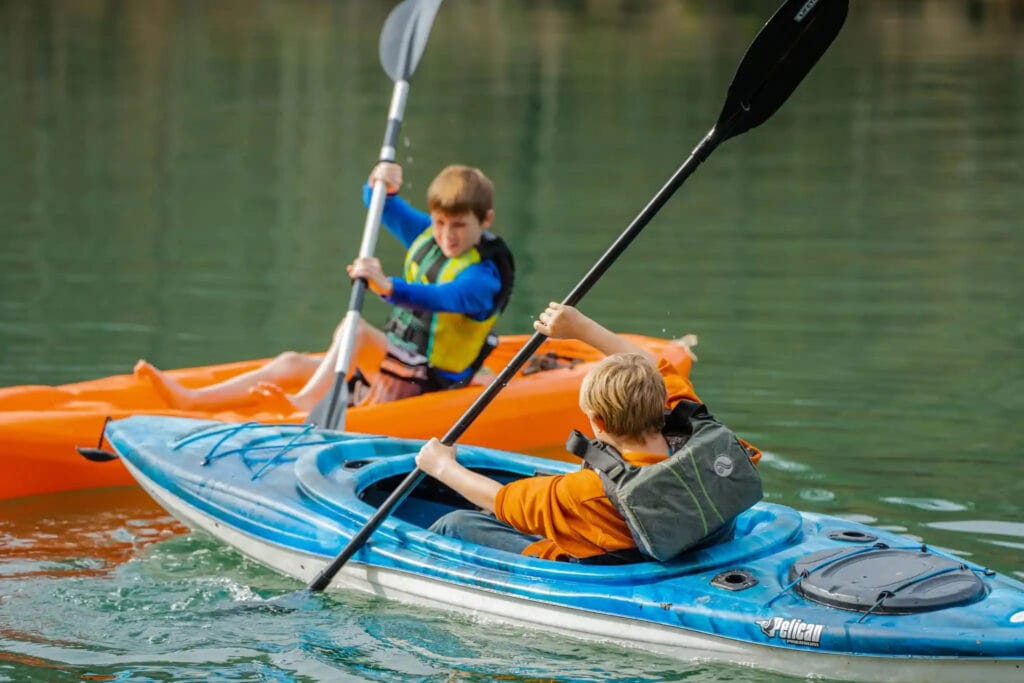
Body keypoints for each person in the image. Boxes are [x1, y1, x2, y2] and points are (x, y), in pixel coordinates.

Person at [134, 161, 515, 412]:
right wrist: (382, 180)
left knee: (355, 331)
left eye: (459, 225)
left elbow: (444, 297)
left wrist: (386, 287)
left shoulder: (484, 277)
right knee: (291, 361)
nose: (447, 235)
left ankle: (304, 405)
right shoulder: (429, 234)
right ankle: (192, 400)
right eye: (440, 223)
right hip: (402, 362)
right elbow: (378, 202)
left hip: (432, 382)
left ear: (485, 220)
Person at [415, 303, 762, 563]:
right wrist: (579, 325)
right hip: (696, 545)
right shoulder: (695, 423)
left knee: (456, 522)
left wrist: (442, 466)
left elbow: (501, 500)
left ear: (597, 422)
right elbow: (650, 364)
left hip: (602, 571)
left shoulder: (584, 493)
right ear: (662, 400)